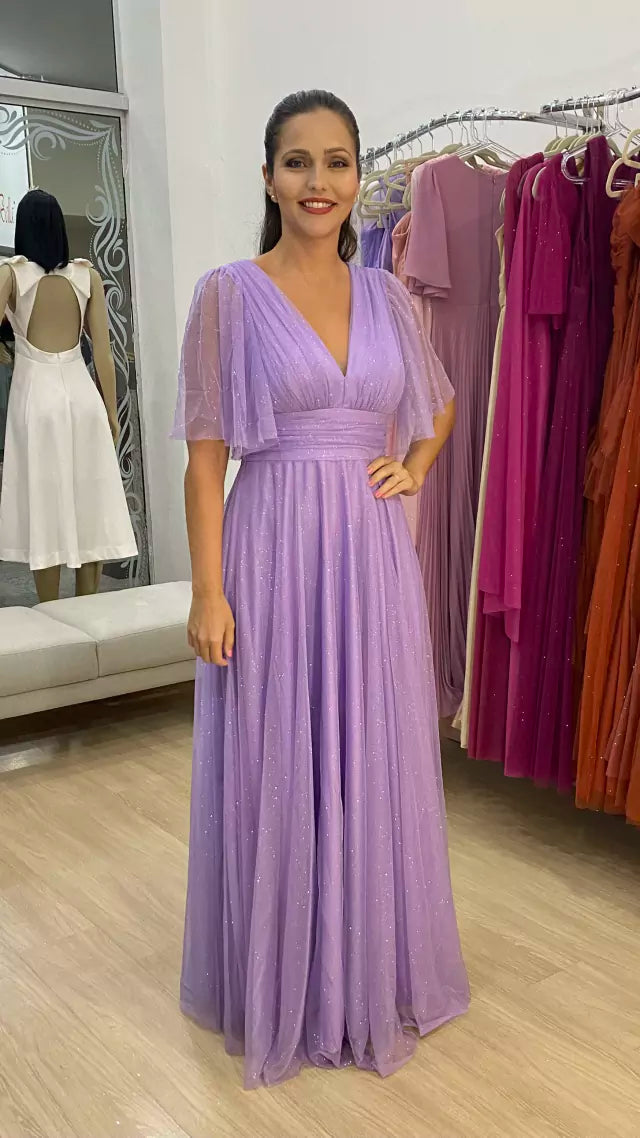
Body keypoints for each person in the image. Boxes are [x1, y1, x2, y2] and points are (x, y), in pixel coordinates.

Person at [173, 89, 469, 1089]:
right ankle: (289, 981)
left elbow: (438, 404)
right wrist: (207, 592)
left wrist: (412, 467)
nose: (319, 181)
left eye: (337, 162)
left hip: (370, 555)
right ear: (268, 178)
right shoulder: (227, 294)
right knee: (280, 752)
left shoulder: (387, 294)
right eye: (297, 162)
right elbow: (204, 460)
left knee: (367, 749)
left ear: (357, 177)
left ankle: (362, 971)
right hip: (271, 547)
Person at [0, 189, 137, 601]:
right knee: (89, 501)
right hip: (83, 397)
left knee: (45, 503)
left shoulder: (12, 274)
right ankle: (87, 608)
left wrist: (7, 353)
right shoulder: (86, 275)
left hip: (35, 398)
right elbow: (104, 353)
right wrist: (111, 412)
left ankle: (50, 610)